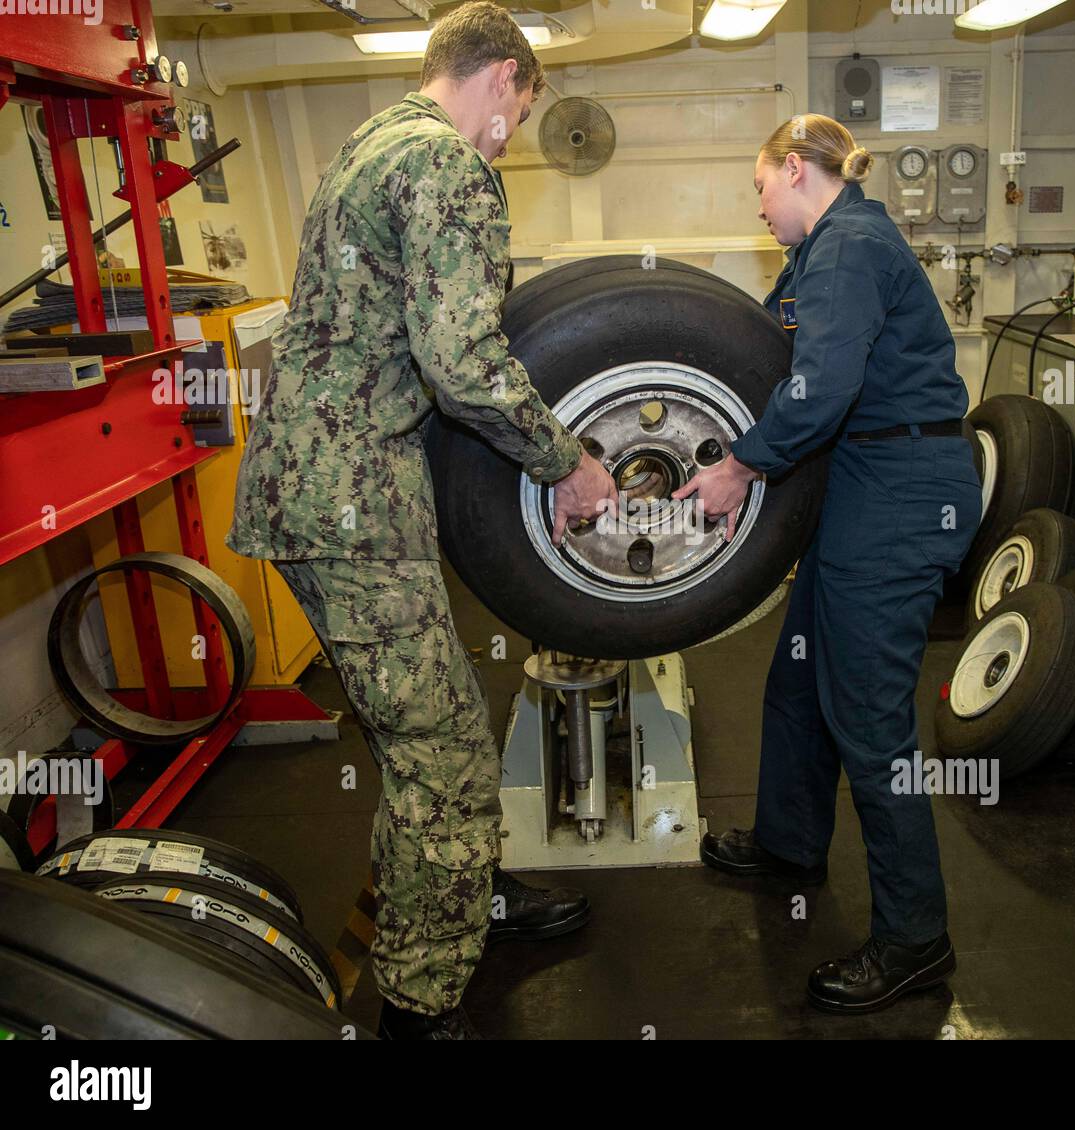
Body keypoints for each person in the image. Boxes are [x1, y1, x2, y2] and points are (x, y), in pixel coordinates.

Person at [226, 2, 618, 1040]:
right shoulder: (446, 165)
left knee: (426, 725)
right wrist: (566, 462)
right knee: (439, 753)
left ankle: (468, 895)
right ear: (501, 77)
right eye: (520, 110)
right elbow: (461, 361)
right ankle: (420, 998)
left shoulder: (369, 141)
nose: (513, 134)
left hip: (318, 485)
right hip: (351, 502)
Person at [674, 114, 981, 1014]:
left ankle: (916, 937)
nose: (759, 207)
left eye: (760, 187)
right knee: (800, 680)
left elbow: (819, 390)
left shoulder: (848, 248)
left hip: (899, 495)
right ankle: (791, 841)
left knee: (871, 723)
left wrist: (737, 466)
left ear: (797, 168)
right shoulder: (824, 253)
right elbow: (768, 360)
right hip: (863, 487)